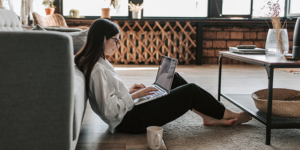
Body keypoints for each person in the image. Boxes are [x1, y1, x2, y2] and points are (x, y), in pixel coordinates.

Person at [74, 19, 252, 134]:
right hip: (128, 122)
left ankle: (207, 116)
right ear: (103, 39)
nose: (118, 45)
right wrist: (135, 96)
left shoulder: (99, 62)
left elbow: (108, 97)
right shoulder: (97, 68)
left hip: (129, 112)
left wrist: (129, 91)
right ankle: (228, 114)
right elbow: (109, 111)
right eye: (116, 40)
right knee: (191, 90)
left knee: (174, 78)